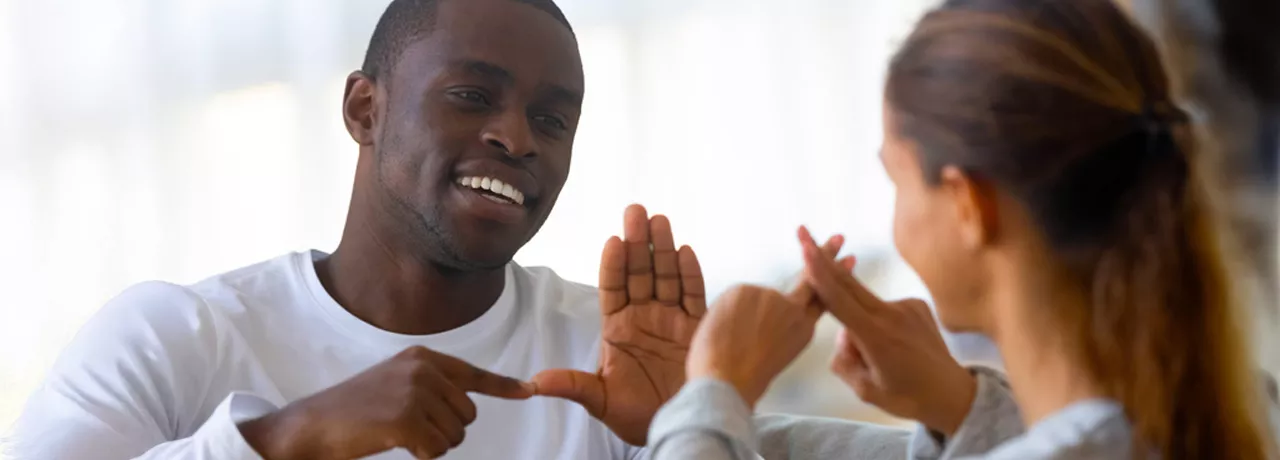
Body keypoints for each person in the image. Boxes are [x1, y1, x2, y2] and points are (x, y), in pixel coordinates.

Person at [3, 0, 956, 459]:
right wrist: (288, 436)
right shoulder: (175, 339)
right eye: (471, 96)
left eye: (554, 117)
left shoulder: (613, 355)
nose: (517, 137)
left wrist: (692, 413)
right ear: (363, 110)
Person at [646, 0, 1278, 459]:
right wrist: (964, 409)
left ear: (967, 203)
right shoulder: (1238, 412)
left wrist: (711, 393)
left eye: (895, 178)